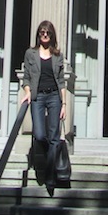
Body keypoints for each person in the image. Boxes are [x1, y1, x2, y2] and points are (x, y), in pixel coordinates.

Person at [21, 19, 66, 195]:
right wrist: (27, 91)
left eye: (47, 33)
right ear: (38, 35)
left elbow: (61, 81)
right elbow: (26, 77)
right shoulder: (30, 53)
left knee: (54, 136)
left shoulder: (57, 55)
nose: (45, 35)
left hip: (54, 96)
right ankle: (50, 159)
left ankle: (50, 176)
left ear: (52, 35)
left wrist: (64, 104)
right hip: (38, 97)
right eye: (42, 32)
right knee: (40, 135)